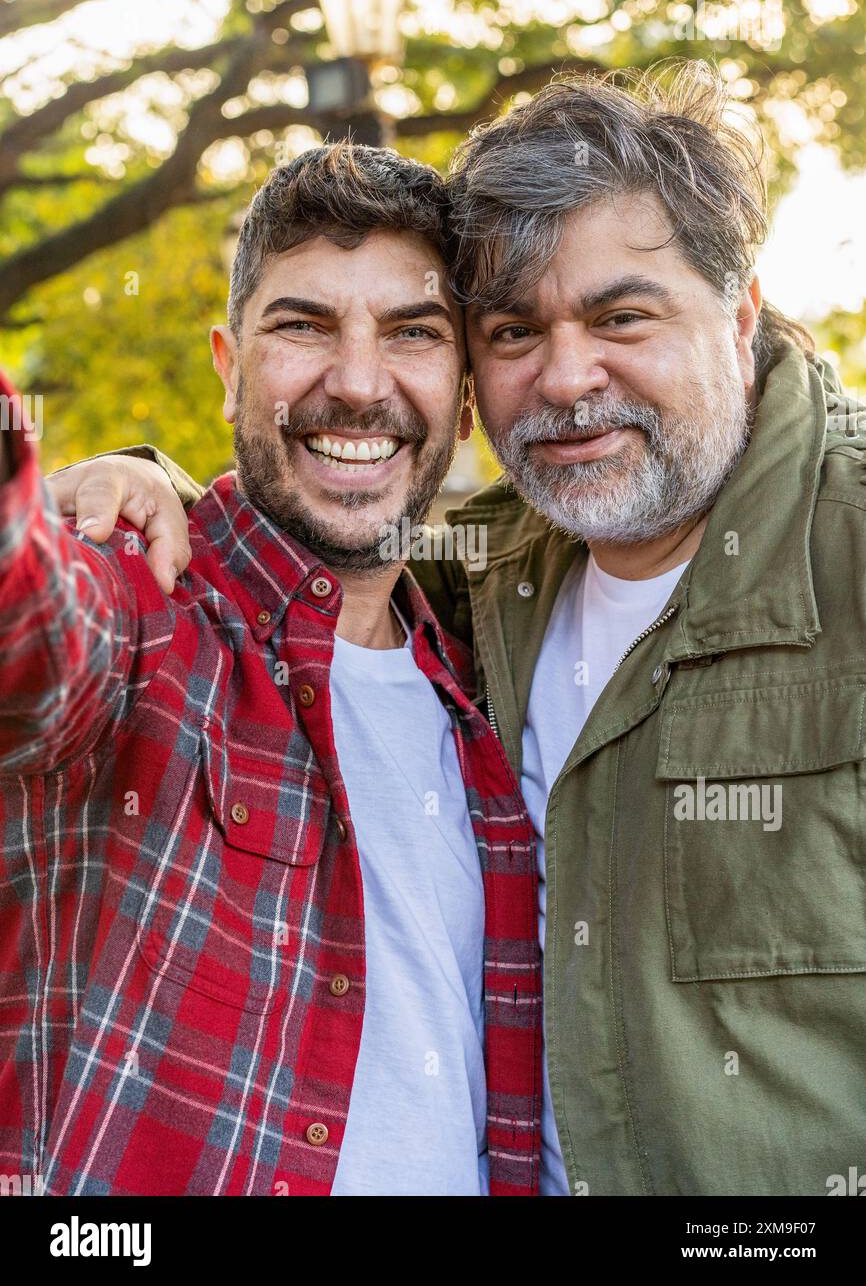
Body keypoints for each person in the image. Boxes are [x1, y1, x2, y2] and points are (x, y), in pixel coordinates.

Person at [52, 60, 866, 1197]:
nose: (568, 374)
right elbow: (301, 536)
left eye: (620, 315)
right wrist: (127, 491)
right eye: (513, 329)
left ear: (737, 315)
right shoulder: (478, 577)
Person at [0, 143, 542, 1197]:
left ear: (466, 396)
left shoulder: (482, 692)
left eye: (412, 334)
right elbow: (31, 622)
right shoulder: (146, 603)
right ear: (228, 366)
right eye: (301, 324)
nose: (354, 382)